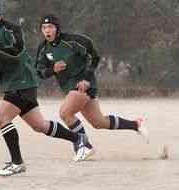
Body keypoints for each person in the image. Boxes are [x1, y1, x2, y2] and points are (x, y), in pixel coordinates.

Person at [0, 0, 88, 177]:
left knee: (3, 118)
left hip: (22, 80)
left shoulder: (11, 29)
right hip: (12, 84)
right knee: (40, 125)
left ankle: (17, 163)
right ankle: (79, 139)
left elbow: (16, 54)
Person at [35, 14, 149, 159]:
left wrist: (86, 78)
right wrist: (52, 70)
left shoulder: (73, 41)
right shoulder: (43, 48)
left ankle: (84, 146)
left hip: (84, 84)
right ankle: (136, 125)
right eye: (44, 28)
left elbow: (94, 57)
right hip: (69, 87)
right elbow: (39, 72)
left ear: (57, 28)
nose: (47, 30)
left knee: (65, 113)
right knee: (99, 122)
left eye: (50, 27)